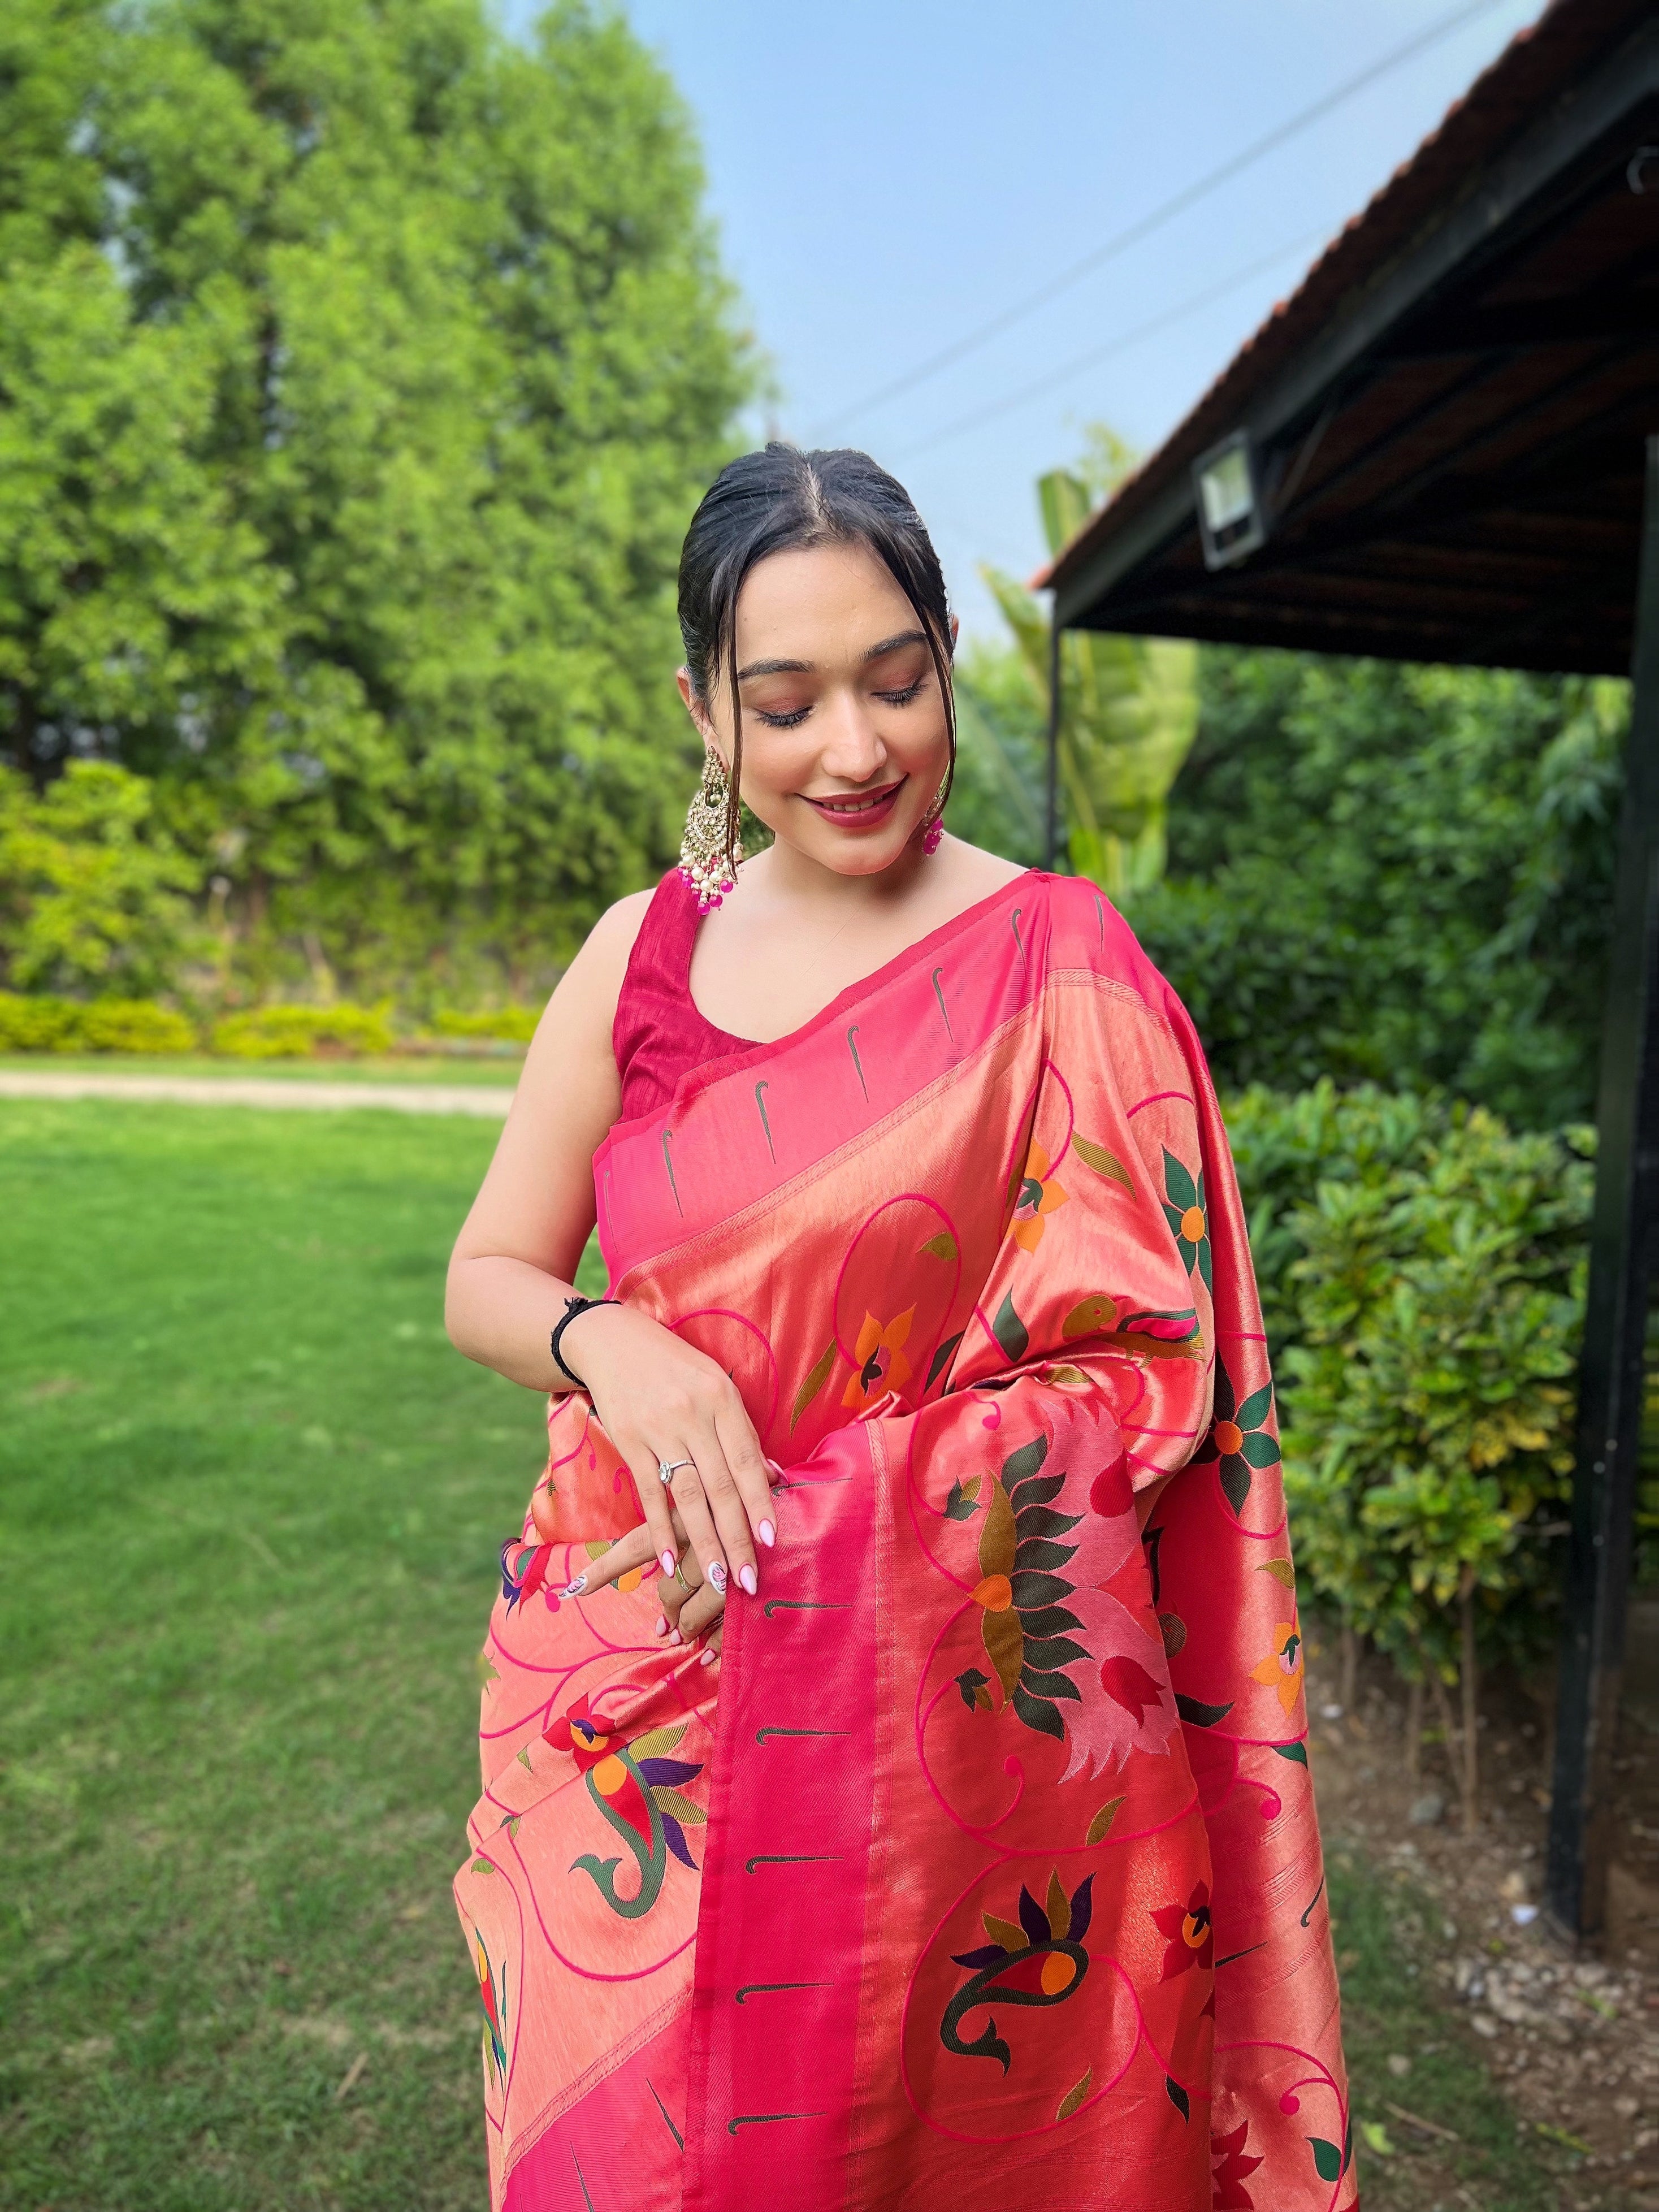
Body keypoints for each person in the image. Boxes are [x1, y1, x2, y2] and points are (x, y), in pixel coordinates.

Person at [445, 444, 1352, 2212]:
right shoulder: (636, 952)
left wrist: (846, 1511)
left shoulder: (1058, 964)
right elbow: (490, 1268)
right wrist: (610, 1347)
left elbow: (1156, 1372)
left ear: (948, 650)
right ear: (706, 713)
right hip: (629, 1717)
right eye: (782, 702)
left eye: (896, 679)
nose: (851, 749)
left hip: (949, 1761)